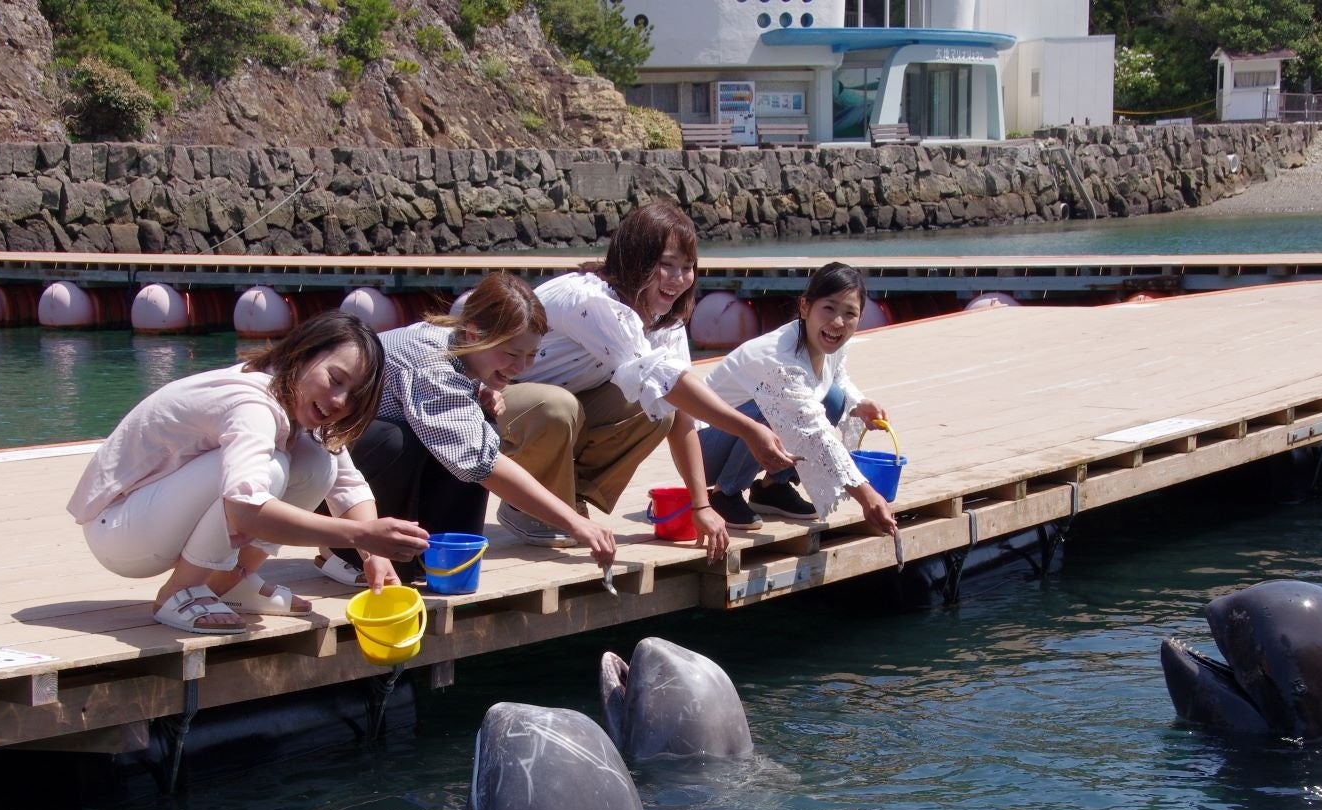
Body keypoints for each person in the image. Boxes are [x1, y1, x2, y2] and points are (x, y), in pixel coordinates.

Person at [68, 311, 430, 635]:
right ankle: (180, 591)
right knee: (269, 470)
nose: (339, 401)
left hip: (150, 519)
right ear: (302, 354)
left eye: (353, 397)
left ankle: (229, 580)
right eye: (335, 379)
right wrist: (360, 535)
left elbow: (347, 485)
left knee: (318, 464)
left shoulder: (293, 400)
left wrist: (374, 556)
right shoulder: (252, 404)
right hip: (119, 531)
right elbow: (244, 508)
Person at [495, 201, 797, 562]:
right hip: (489, 402)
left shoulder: (663, 321)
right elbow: (666, 381)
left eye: (687, 268)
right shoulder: (590, 301)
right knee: (559, 406)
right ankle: (524, 506)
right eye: (666, 265)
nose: (679, 278)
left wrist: (700, 504)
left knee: (657, 409)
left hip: (552, 411)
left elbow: (678, 405)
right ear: (634, 260)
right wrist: (749, 429)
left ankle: (565, 496)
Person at [314, 271, 617, 584]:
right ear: (473, 334)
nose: (521, 367)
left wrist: (477, 392)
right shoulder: (431, 363)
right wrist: (573, 521)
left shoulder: (462, 352)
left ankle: (435, 551)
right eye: (512, 353)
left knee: (481, 427)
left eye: (531, 354)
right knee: (397, 440)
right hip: (329, 475)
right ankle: (341, 552)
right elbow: (484, 466)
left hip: (375, 464)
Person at [698, 262, 898, 536]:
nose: (838, 322)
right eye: (828, 308)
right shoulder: (778, 358)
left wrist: (858, 404)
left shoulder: (829, 343)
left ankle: (772, 488)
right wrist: (867, 496)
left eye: (849, 313)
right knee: (772, 406)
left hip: (739, 434)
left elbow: (836, 379)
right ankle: (724, 493)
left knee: (835, 398)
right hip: (703, 447)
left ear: (860, 318)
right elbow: (815, 433)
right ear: (805, 307)